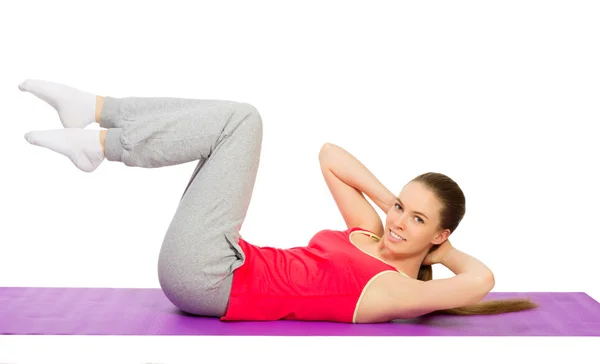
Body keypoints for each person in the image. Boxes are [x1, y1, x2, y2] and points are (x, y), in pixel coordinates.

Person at [20, 79, 538, 323]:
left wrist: (435, 252)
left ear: (441, 233)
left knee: (242, 121)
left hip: (210, 281)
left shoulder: (396, 292)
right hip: (221, 262)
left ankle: (101, 143)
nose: (400, 222)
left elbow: (481, 281)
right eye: (403, 207)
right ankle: (96, 109)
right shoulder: (371, 233)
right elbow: (330, 155)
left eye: (418, 218)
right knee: (232, 122)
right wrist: (391, 206)